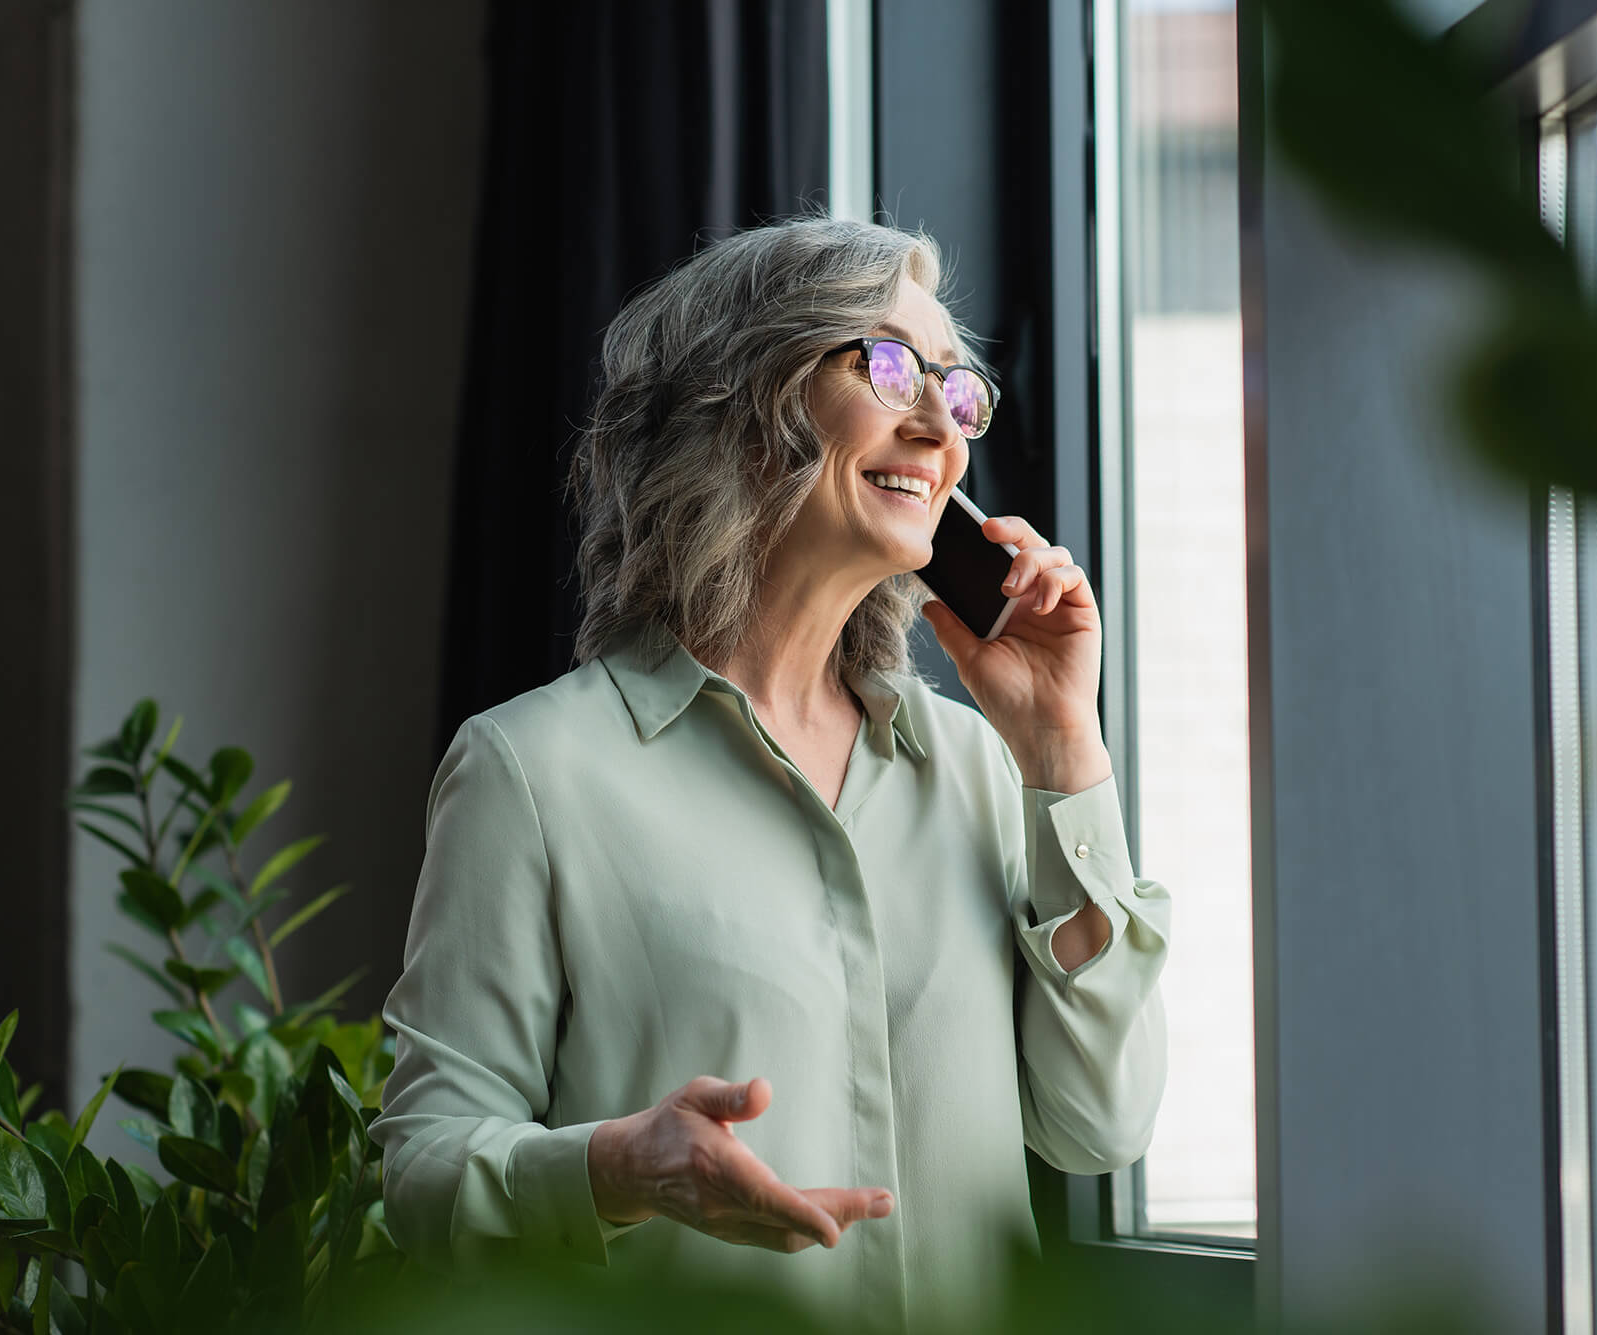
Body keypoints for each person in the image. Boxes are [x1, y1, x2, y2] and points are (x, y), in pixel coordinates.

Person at [368, 215, 1171, 1334]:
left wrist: (1062, 752)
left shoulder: (976, 768)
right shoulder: (532, 775)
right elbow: (423, 1171)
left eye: (957, 387)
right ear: (744, 408)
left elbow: (1101, 1122)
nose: (940, 421)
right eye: (888, 364)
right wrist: (614, 1169)